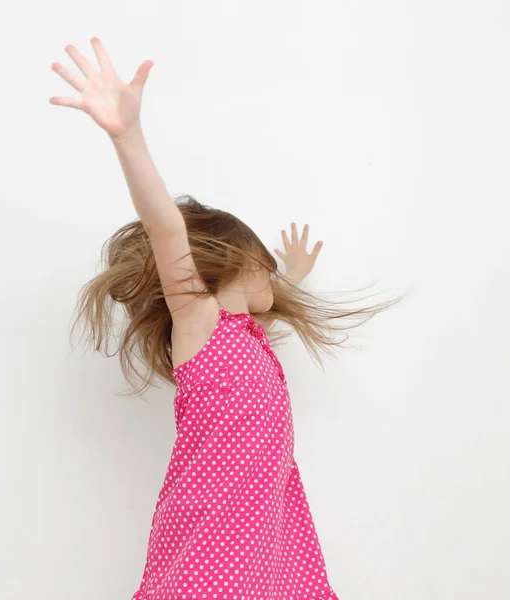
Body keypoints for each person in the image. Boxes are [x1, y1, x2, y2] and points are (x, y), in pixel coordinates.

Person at [50, 37, 402, 600]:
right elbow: (167, 228)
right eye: (267, 268)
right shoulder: (199, 319)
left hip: (266, 525)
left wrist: (291, 271)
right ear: (241, 262)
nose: (275, 284)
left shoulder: (243, 334)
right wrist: (128, 135)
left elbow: (266, 297)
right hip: (216, 528)